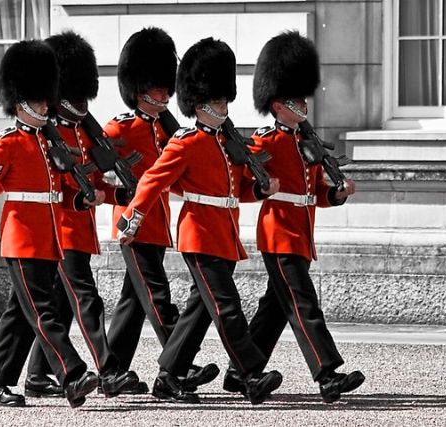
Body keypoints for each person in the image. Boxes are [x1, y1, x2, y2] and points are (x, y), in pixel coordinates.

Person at [116, 37, 282, 405]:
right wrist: (133, 218)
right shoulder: (185, 142)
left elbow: (236, 190)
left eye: (225, 100)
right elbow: (153, 180)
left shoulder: (224, 143)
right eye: (217, 101)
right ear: (199, 104)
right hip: (199, 233)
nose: (223, 107)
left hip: (223, 232)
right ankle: (251, 374)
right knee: (227, 306)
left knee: (202, 309)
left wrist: (262, 190)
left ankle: (169, 375)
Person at [221, 31, 365, 403]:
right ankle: (327, 373)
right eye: (295, 98)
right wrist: (262, 189)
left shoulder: (307, 143)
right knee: (304, 303)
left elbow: (314, 192)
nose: (303, 103)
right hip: (279, 232)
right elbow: (239, 186)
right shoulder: (263, 141)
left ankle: (240, 373)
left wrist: (338, 193)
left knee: (276, 307)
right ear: (277, 103)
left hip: (301, 232)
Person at [0, 39, 98, 408]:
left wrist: (81, 198)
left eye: (44, 98)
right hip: (21, 240)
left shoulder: (48, 142)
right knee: (43, 311)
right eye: (37, 100)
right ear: (19, 101)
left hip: (49, 238)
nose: (43, 105)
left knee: (21, 314)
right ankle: (72, 372)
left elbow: (60, 191)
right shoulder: (4, 143)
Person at [23, 31, 139, 399]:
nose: (82, 101)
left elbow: (91, 182)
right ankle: (109, 369)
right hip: (59, 229)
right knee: (87, 298)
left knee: (59, 303)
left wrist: (118, 192)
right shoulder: (47, 134)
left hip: (78, 228)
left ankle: (37, 376)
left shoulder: (82, 131)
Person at [103, 27, 218, 394]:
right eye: (158, 86)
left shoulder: (166, 130)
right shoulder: (118, 130)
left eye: (167, 85)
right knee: (157, 295)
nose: (166, 93)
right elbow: (90, 169)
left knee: (133, 303)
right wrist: (114, 195)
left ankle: (113, 371)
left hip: (158, 225)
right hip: (132, 227)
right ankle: (179, 366)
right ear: (139, 89)